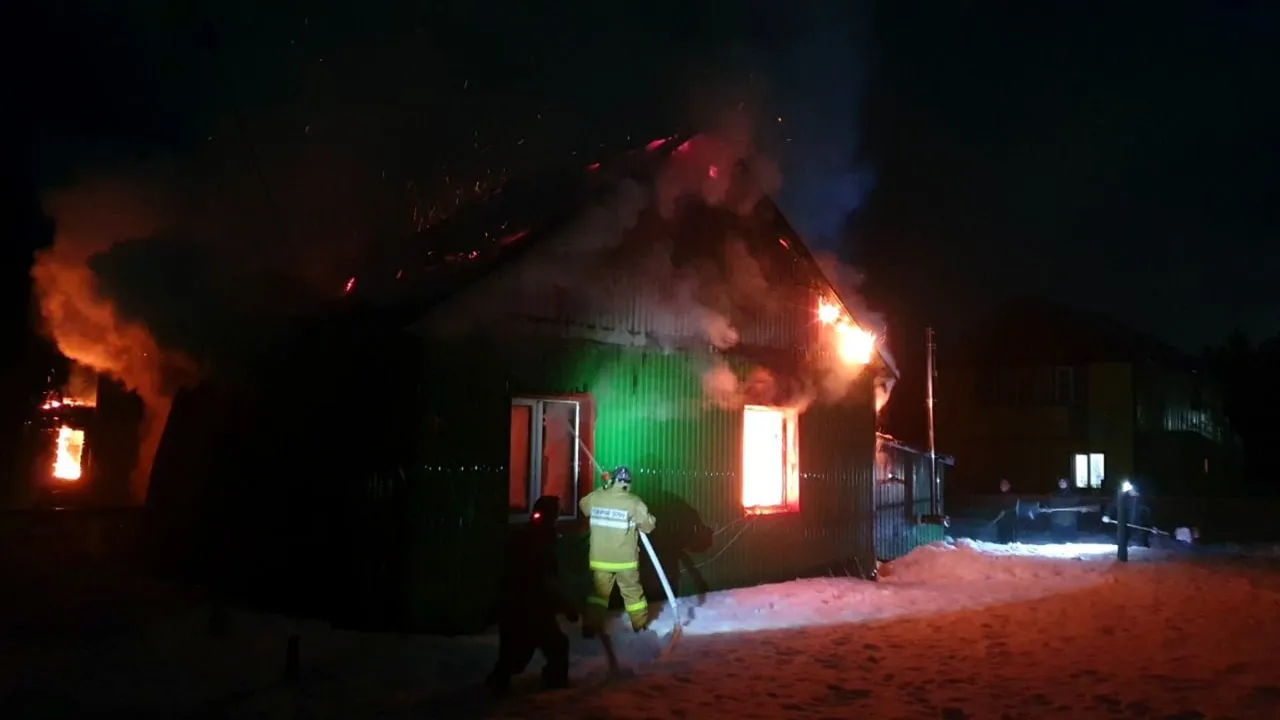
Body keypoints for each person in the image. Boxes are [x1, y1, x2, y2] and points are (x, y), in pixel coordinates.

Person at [486, 496, 577, 695]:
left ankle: (501, 683)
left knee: (537, 650)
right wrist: (566, 605)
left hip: (525, 607)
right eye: (556, 512)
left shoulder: (538, 535)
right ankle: (552, 688)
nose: (557, 516)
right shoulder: (536, 538)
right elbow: (543, 578)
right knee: (521, 654)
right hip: (526, 608)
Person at [580, 466, 657, 635]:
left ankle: (590, 628)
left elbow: (583, 506)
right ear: (629, 483)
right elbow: (649, 525)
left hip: (600, 559)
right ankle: (639, 627)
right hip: (625, 561)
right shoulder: (633, 502)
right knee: (633, 595)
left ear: (612, 480)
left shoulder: (597, 496)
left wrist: (604, 488)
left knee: (598, 596)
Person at [1047, 477, 1079, 543]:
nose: (1061, 483)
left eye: (1063, 481)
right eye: (1060, 481)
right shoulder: (1054, 494)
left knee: (1070, 540)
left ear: (1067, 483)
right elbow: (1050, 505)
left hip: (1070, 520)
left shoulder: (1073, 495)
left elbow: (1076, 506)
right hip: (1057, 520)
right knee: (1057, 540)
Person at [995, 478, 1019, 544]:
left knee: (1009, 533)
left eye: (1004, 484)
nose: (1002, 486)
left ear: (1009, 485)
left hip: (1010, 518)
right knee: (1001, 532)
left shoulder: (1013, 495)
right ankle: (1002, 542)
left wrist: (1005, 511)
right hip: (1002, 518)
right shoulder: (1000, 495)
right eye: (1001, 484)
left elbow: (1013, 506)